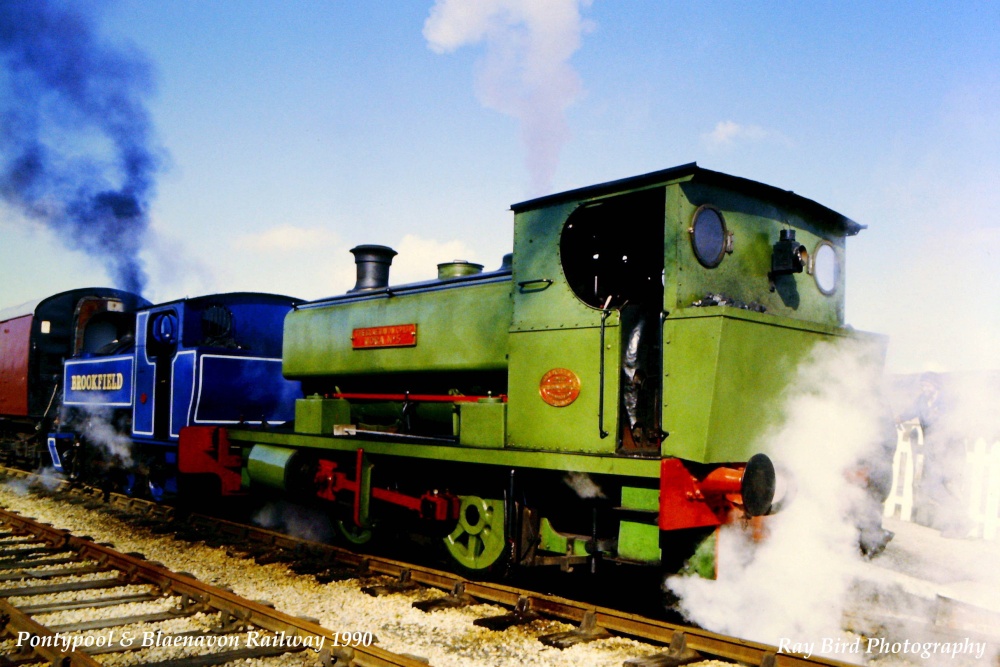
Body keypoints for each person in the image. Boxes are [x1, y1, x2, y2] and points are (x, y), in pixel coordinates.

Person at [900, 373, 970, 538]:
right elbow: (910, 412)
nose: (924, 389)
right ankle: (961, 522)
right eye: (922, 385)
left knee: (949, 487)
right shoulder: (922, 401)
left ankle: (960, 524)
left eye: (927, 385)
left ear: (936, 385)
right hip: (933, 452)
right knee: (933, 487)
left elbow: (956, 423)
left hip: (950, 452)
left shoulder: (948, 401)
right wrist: (897, 418)